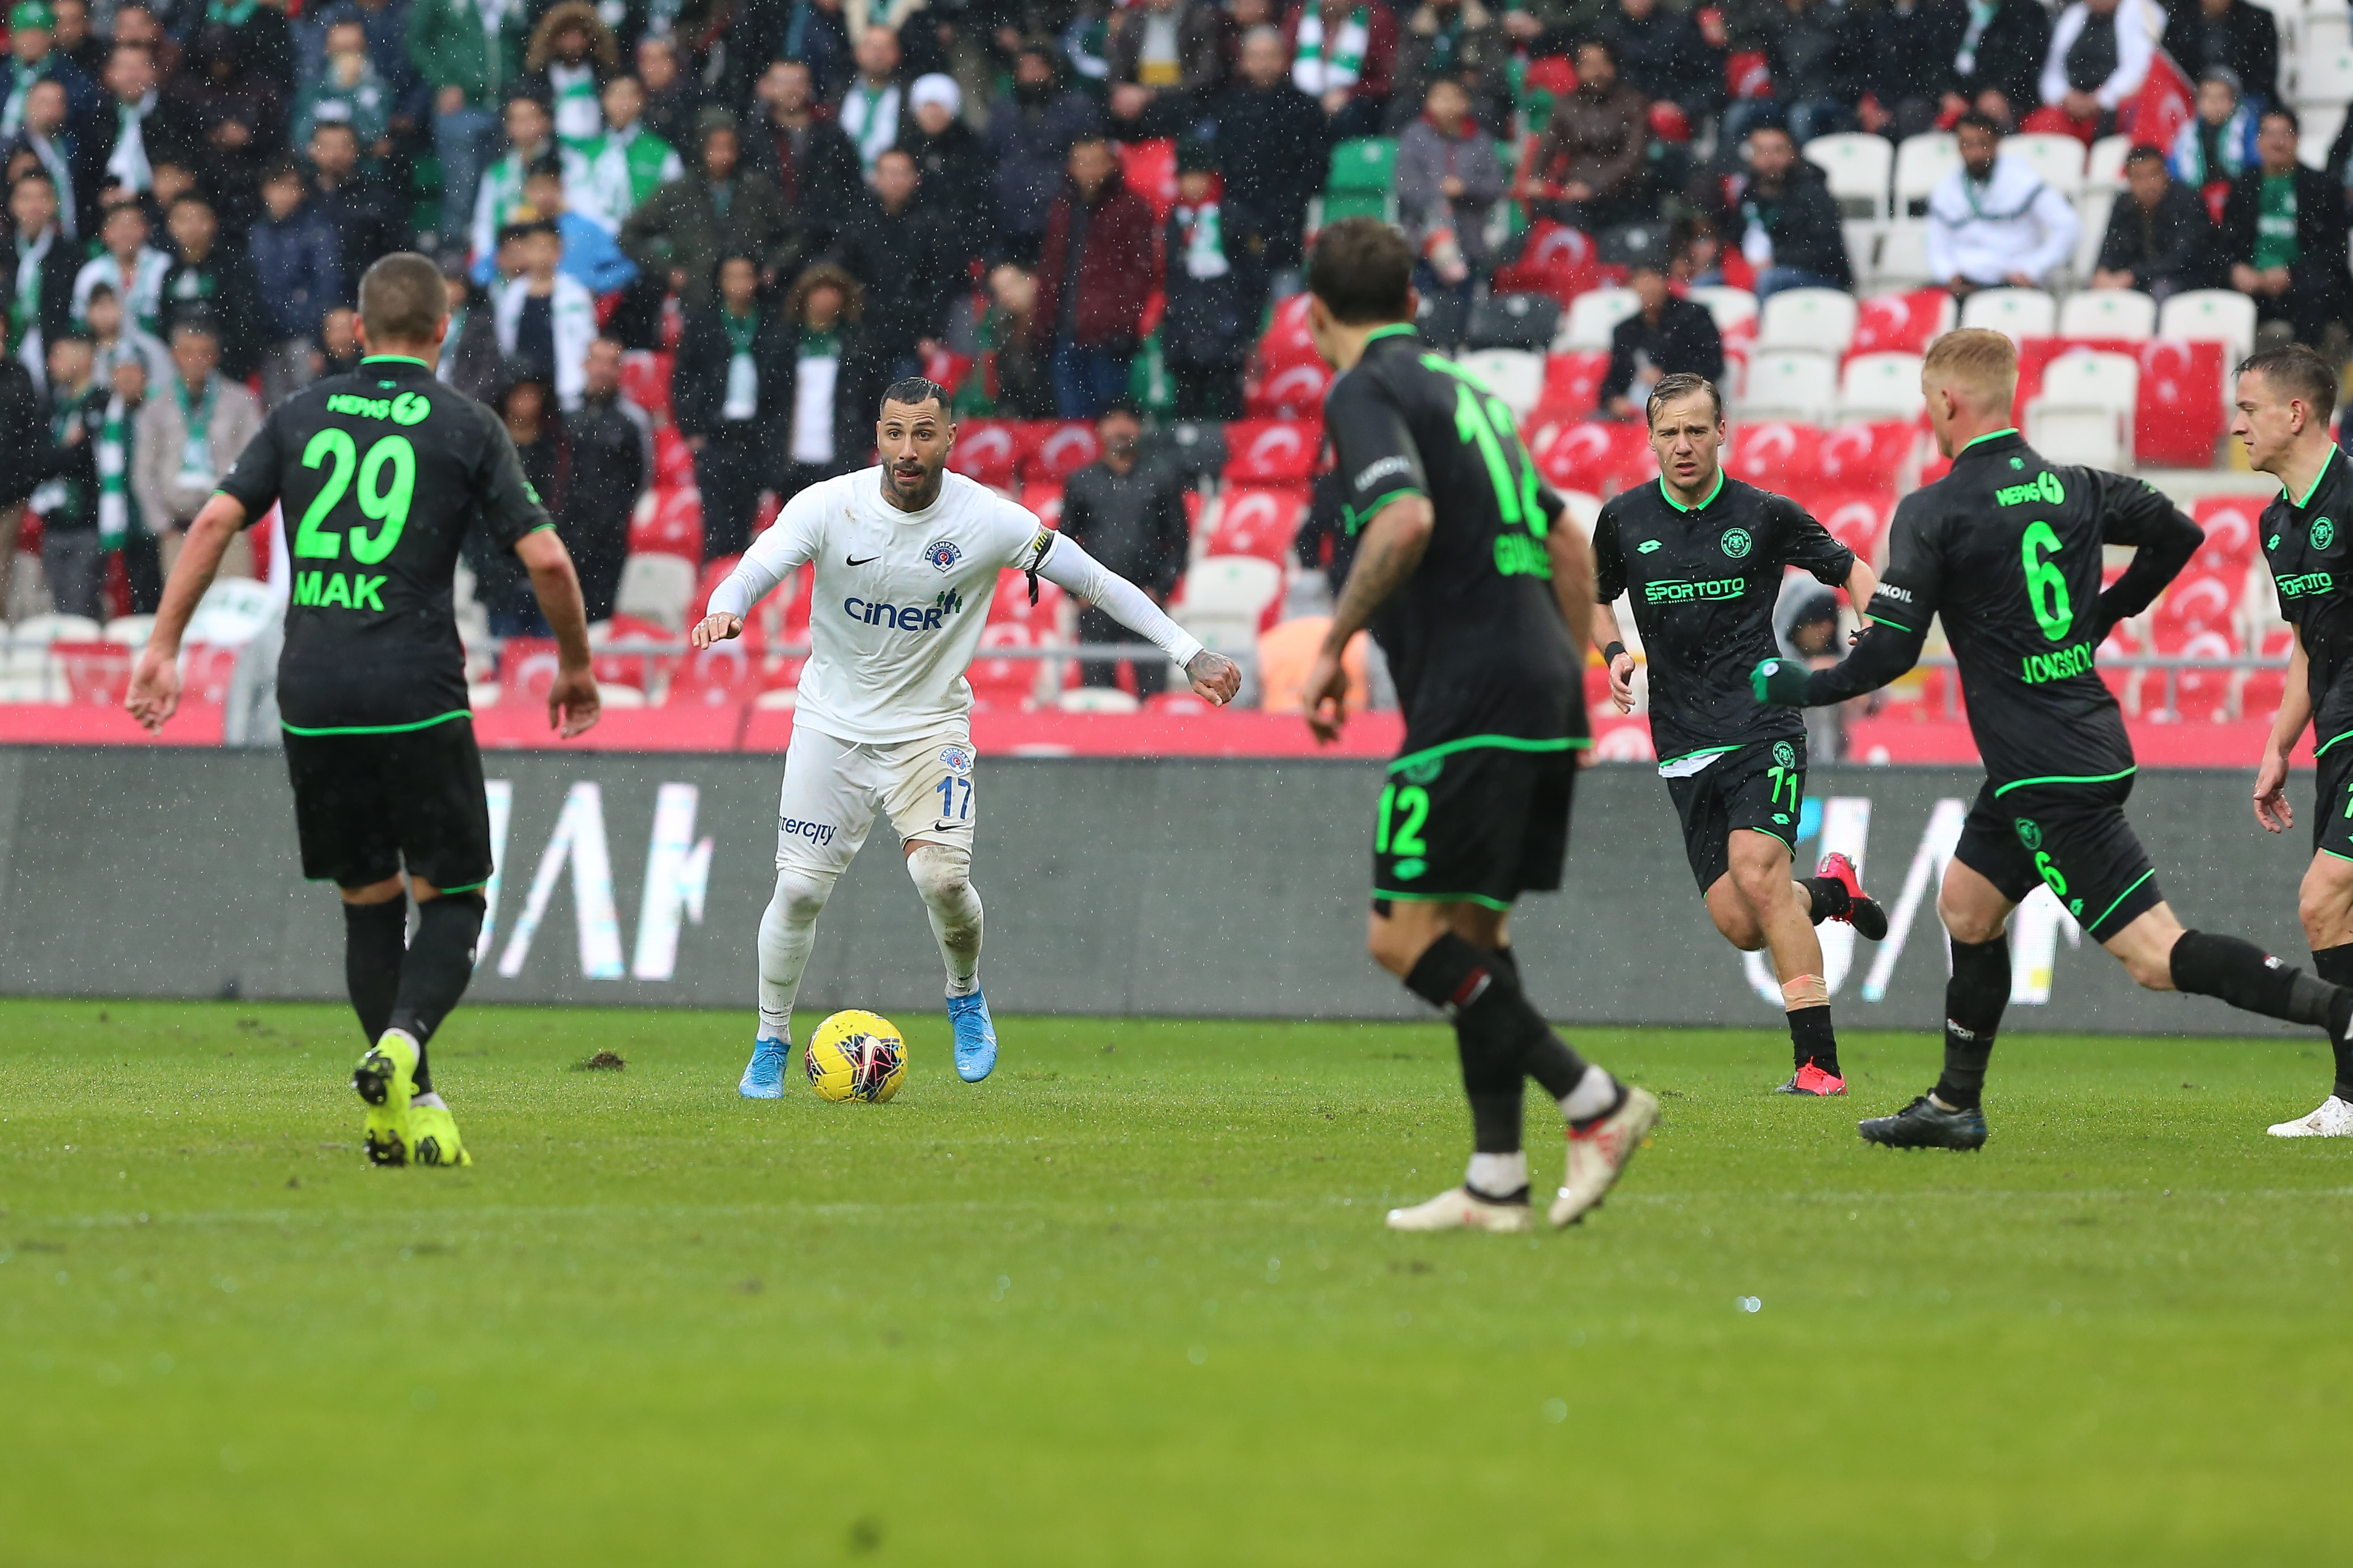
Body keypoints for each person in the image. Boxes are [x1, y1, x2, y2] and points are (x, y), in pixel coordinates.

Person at [1753, 328, 2353, 1149]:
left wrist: (1796, 684)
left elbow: (1889, 652)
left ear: (1945, 401)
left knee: (2154, 954)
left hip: (2045, 768)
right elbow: (2177, 533)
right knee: (1965, 904)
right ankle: (1953, 1104)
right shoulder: (2073, 486)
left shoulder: (1932, 509)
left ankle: (2340, 1011)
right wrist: (2103, 614)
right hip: (2061, 749)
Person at [126, 251, 601, 1171]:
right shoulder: (464, 423)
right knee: (454, 897)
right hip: (413, 688)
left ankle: (406, 1106)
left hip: (312, 691)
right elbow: (546, 558)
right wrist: (575, 665)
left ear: (355, 329)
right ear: (441, 330)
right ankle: (404, 1040)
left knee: (369, 901)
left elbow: (215, 521)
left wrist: (162, 645)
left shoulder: (299, 413)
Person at [689, 376, 1240, 1094]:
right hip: (831, 727)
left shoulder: (989, 520)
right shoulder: (828, 506)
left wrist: (1187, 651)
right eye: (894, 433)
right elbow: (753, 569)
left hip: (930, 728)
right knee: (796, 892)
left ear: (950, 438)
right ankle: (770, 1042)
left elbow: (1097, 582)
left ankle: (964, 994)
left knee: (943, 881)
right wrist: (725, 606)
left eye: (924, 433)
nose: (907, 450)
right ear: (878, 437)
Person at [1291, 218, 1657, 1233]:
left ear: (1314, 316)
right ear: (1412, 302)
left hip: (1467, 697)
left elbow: (1403, 518)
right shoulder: (1473, 393)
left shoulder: (1363, 388)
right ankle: (1497, 1177)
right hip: (1537, 687)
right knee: (1473, 936)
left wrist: (1333, 645)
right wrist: (1573, 673)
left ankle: (1594, 1100)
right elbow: (1565, 535)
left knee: (1399, 936)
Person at [1588, 371, 1888, 1094]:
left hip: (1762, 722)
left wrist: (1873, 625)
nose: (1683, 445)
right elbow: (1593, 598)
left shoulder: (1763, 513)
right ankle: (1830, 892)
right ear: (1650, 439)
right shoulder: (1623, 519)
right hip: (1681, 738)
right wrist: (1614, 652)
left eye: (1696, 430)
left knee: (1757, 874)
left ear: (1721, 431)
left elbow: (1852, 569)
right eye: (1669, 432)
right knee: (1742, 921)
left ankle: (1818, 1066)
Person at [2243, 344, 2353, 1137]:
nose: (2236, 426)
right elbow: (2306, 646)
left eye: (2247, 409)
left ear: (2296, 412)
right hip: (2331, 733)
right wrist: (2277, 745)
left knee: (2322, 896)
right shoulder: (2275, 524)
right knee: (2329, 919)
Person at [1060, 401, 1192, 696]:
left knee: (1154, 693)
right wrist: (1075, 593)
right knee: (1097, 696)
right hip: (1096, 600)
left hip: (1147, 601)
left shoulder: (1161, 478)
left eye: (1128, 420)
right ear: (1099, 429)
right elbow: (1064, 541)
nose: (1120, 428)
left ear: (1139, 428)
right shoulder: (1082, 481)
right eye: (1112, 420)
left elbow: (1180, 540)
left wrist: (1160, 589)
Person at [673, 252, 792, 560]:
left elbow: (783, 388)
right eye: (731, 277)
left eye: (745, 276)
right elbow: (683, 378)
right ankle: (715, 581)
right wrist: (692, 428)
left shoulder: (772, 324)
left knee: (749, 524)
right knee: (716, 523)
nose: (739, 284)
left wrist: (774, 436)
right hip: (716, 435)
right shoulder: (704, 323)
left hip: (756, 435)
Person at [1032, 135, 1157, 420]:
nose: (1088, 170)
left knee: (1110, 416)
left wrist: (1123, 322)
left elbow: (1141, 273)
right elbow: (1051, 269)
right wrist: (1043, 325)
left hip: (1108, 335)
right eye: (1082, 162)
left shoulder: (1131, 208)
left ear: (1111, 165)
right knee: (1072, 420)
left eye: (1095, 162)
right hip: (1064, 330)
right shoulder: (1063, 208)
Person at [1208, 27, 1326, 329]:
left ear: (1285, 60)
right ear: (1244, 61)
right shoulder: (1228, 106)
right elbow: (1225, 165)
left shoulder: (1304, 107)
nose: (1264, 64)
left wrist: (1284, 207)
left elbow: (1315, 167)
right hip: (1240, 223)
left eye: (1271, 56)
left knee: (1287, 315)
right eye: (1256, 56)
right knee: (1239, 317)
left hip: (1287, 223)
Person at [621, 111, 795, 311]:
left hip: (752, 301)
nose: (723, 156)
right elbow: (630, 234)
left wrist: (774, 266)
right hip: (697, 299)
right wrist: (668, 271)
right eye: (715, 147)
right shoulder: (679, 191)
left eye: (729, 147)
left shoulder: (757, 188)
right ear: (702, 147)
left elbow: (794, 231)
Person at [133, 315, 262, 578]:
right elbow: (143, 470)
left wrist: (240, 515)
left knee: (230, 601)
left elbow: (256, 463)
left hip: (228, 532)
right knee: (186, 605)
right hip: (178, 531)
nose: (196, 360)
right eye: (188, 352)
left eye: (204, 353)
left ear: (216, 356)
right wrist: (162, 524)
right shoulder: (157, 407)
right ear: (174, 356)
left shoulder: (240, 402)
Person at [2221, 109, 2348, 352]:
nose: (2277, 142)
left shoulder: (2322, 187)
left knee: (2315, 292)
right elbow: (2224, 243)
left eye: (2284, 134)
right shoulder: (2243, 186)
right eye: (2269, 134)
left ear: (2297, 139)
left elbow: (2334, 250)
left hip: (2301, 285)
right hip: (2253, 283)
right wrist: (2236, 268)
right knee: (2210, 289)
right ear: (2258, 141)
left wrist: (2292, 273)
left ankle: (2303, 370)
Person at [407, 0, 530, 243]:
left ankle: (503, 249)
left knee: (504, 184)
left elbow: (524, 40)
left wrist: (521, 84)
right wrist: (442, 81)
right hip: (462, 106)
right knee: (462, 188)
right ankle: (456, 252)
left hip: (506, 105)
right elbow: (416, 40)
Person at [830, 145, 957, 375]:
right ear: (875, 178)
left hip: (912, 336)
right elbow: (843, 273)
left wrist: (931, 332)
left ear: (916, 179)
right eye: (888, 173)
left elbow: (939, 281)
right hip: (865, 332)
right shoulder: (859, 221)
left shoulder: (932, 224)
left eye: (902, 173)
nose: (895, 181)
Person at [1926, 111, 2080, 296]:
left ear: (1996, 143)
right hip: (1965, 284)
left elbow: (2068, 226)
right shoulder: (1946, 190)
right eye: (1968, 145)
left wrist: (2033, 269)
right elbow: (1937, 246)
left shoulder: (2023, 181)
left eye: (1983, 144)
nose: (1976, 153)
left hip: (2012, 282)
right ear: (1959, 147)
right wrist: (1948, 274)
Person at [983, 42, 1101, 265]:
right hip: (1011, 215)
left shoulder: (1076, 108)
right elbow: (990, 156)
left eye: (1037, 67)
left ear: (1052, 70)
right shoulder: (1003, 111)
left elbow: (1090, 156)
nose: (1031, 74)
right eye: (1024, 68)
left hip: (1061, 212)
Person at [741, 58, 863, 273]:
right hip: (770, 242)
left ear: (809, 87)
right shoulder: (754, 136)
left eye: (798, 82)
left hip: (825, 240)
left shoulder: (832, 134)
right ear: (767, 87)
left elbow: (851, 188)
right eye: (783, 82)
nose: (791, 89)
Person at [1515, 37, 1648, 233]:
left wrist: (1595, 188)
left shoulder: (1632, 103)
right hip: (1572, 188)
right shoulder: (1566, 104)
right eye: (1589, 65)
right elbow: (1547, 146)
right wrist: (1535, 178)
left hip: (1616, 192)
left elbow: (1631, 159)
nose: (1597, 72)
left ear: (1612, 67)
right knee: (1540, 216)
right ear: (1577, 70)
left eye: (1602, 62)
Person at [1394, 75, 1508, 292]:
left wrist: (1466, 188)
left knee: (1468, 303)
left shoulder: (1481, 141)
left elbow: (1496, 186)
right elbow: (1406, 187)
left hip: (1470, 240)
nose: (1446, 105)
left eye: (1452, 98)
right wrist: (1439, 194)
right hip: (1423, 244)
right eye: (1440, 98)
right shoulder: (1414, 138)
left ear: (1465, 103)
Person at [563, 336, 649, 621]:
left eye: (611, 363)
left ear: (620, 370)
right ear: (585, 364)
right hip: (565, 530)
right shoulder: (564, 414)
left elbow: (642, 476)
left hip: (609, 538)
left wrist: (616, 515)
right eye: (597, 360)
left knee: (601, 620)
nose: (603, 369)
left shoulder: (632, 420)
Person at [250, 160, 347, 407]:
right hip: (267, 338)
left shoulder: (317, 229)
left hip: (304, 336)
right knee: (274, 410)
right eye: (278, 186)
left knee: (307, 407)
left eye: (292, 187)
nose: (285, 194)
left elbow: (328, 286)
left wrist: (319, 341)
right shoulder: (257, 231)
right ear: (265, 190)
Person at [24, 326, 102, 619]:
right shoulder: (53, 405)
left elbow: (85, 458)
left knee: (81, 613)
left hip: (88, 524)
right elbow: (35, 459)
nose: (51, 363)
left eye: (59, 355)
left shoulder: (101, 402)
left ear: (83, 358)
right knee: (59, 613)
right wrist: (62, 453)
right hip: (54, 526)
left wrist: (59, 455)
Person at [1727, 121, 1852, 301]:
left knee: (1768, 280)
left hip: (1819, 277)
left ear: (1793, 154)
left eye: (1778, 150)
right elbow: (1735, 237)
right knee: (1707, 282)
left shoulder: (1813, 192)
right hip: (1761, 270)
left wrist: (1775, 260)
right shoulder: (1748, 193)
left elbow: (1828, 250)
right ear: (1752, 157)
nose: (1770, 159)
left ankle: (1762, 321)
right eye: (1762, 151)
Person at [490, 217, 597, 409]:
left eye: (548, 248)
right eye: (536, 247)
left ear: (559, 251)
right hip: (522, 385)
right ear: (526, 251)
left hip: (563, 386)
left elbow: (587, 340)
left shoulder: (576, 294)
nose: (542, 255)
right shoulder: (513, 294)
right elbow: (504, 339)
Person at [159, 192, 266, 382]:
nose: (192, 227)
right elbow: (165, 324)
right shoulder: (170, 274)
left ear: (213, 222)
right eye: (183, 219)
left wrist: (216, 360)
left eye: (199, 218)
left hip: (228, 376)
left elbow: (246, 324)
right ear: (170, 226)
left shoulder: (233, 268)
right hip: (179, 376)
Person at [1599, 256, 1722, 420]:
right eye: (1641, 280)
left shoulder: (1694, 316)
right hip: (1633, 416)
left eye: (1653, 278)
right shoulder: (1625, 330)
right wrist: (1615, 401)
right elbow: (1613, 379)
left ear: (1665, 281)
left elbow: (1712, 365)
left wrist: (1669, 381)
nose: (1648, 287)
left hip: (1685, 409)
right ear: (1632, 286)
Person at [2093, 144, 2213, 300]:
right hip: (2139, 280)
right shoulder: (2124, 204)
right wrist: (2103, 271)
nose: (2147, 184)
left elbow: (2182, 258)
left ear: (2165, 174)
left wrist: (2133, 275)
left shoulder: (2187, 201)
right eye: (2139, 177)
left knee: (2161, 289)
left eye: (2154, 175)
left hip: (2188, 280)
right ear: (2128, 180)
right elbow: (2111, 247)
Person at [2032, 0, 2160, 145]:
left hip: (2119, 107)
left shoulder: (2141, 9)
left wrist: (2100, 99)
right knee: (2042, 126)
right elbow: (2052, 71)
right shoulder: (2074, 15)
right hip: (2074, 107)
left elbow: (2140, 70)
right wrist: (2065, 96)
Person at [308, 120, 410, 304]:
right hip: (309, 305)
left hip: (368, 301)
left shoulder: (378, 199)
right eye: (327, 146)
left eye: (343, 146)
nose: (335, 154)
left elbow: (398, 255)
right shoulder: (300, 197)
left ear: (355, 150)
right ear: (312, 150)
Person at [1282, 0, 1400, 139]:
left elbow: (1387, 79)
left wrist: (1349, 93)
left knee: (1352, 116)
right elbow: (1282, 64)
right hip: (1303, 96)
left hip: (1357, 102)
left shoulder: (1377, 18)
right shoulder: (1299, 15)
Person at [5, 170, 81, 383]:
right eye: (26, 198)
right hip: (10, 347)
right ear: (13, 205)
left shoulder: (71, 255)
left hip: (56, 350)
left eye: (42, 197)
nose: (34, 206)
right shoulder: (4, 253)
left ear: (54, 204)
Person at [1389, 0, 1510, 135]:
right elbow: (1403, 76)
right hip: (1426, 93)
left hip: (1471, 94)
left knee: (1487, 109)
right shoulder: (1413, 25)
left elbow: (1495, 73)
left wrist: (1458, 94)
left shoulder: (1485, 23)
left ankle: (1482, 148)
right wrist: (1437, 93)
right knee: (1402, 108)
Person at [956, 260, 1053, 419]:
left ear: (1033, 281)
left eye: (1011, 284)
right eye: (999, 290)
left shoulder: (1057, 324)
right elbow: (1009, 391)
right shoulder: (1001, 332)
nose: (1007, 294)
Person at [516, 2, 617, 152]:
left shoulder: (602, 74)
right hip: (556, 151)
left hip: (599, 149)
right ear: (554, 39)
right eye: (566, 35)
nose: (573, 42)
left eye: (579, 35)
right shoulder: (540, 79)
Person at [1943, 0, 2048, 129]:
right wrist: (1945, 93)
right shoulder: (1952, 9)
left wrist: (1999, 90)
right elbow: (1934, 57)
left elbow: (2026, 60)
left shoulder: (2026, 11)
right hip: (1957, 93)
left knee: (1991, 117)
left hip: (2009, 96)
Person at [2162, 0, 2279, 114]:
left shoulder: (2258, 20)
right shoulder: (2179, 18)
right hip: (2191, 97)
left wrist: (2228, 95)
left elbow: (2265, 73)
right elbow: (2170, 65)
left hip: (2245, 101)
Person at [834, 22, 905, 176]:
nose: (878, 54)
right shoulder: (836, 93)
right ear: (857, 52)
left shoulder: (910, 97)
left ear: (897, 53)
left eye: (885, 47)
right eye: (871, 46)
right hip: (842, 180)